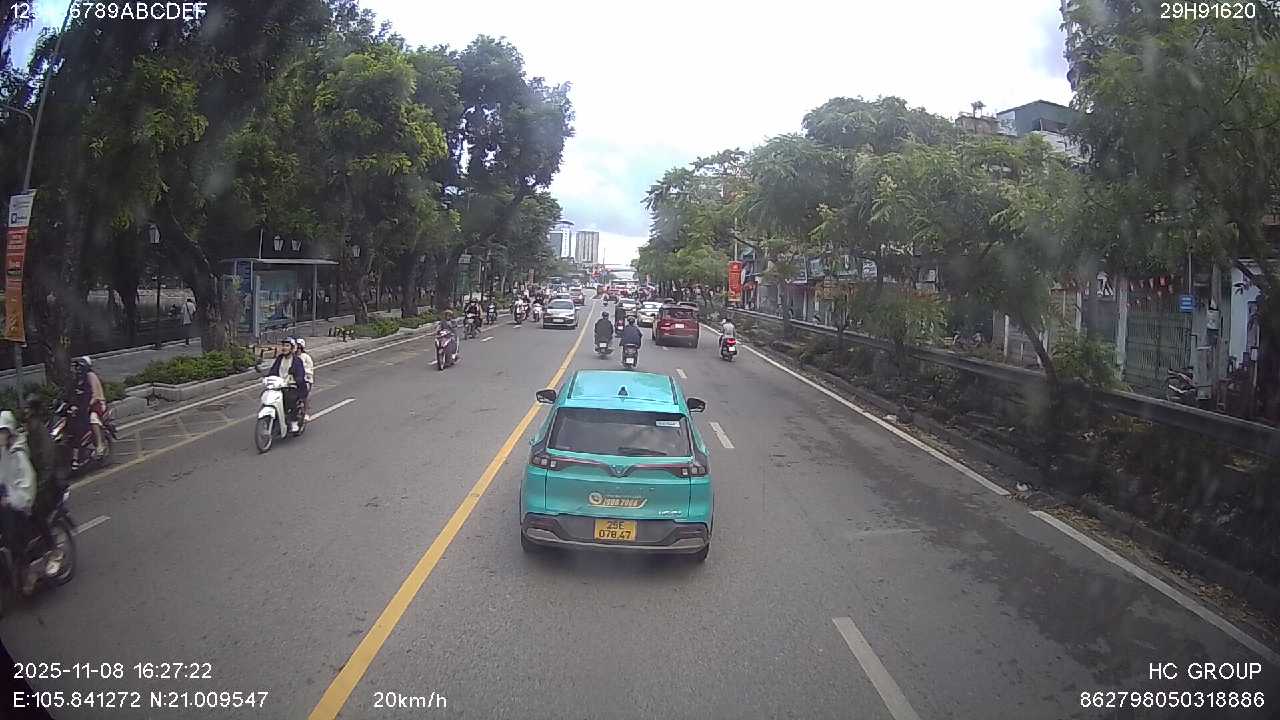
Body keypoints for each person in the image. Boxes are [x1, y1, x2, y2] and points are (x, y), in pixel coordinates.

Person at [0, 410, 40, 593]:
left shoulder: (18, 453)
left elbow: (27, 484)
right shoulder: (3, 453)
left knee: (11, 536)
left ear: (9, 432)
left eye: (2, 432)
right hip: (7, 501)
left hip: (22, 503)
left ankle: (27, 569)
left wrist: (11, 499)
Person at [68, 357, 107, 468]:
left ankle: (99, 445)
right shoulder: (77, 379)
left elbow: (95, 394)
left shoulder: (90, 376)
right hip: (83, 405)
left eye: (79, 367)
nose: (77, 369)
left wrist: (87, 405)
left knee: (93, 418)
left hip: (97, 403)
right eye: (76, 367)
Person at [268, 338, 308, 433]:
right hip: (278, 386)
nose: (284, 348)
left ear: (292, 348)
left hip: (291, 387)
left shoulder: (297, 361)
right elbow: (273, 370)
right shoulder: (279, 359)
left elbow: (300, 374)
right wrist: (268, 378)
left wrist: (296, 379)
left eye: (287, 346)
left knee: (290, 400)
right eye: (283, 345)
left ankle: (294, 421)